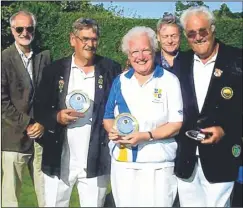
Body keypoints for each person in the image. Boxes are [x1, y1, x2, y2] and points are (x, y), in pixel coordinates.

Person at [34, 18, 121, 207]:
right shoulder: (53, 70)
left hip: (96, 157)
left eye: (94, 39)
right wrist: (57, 117)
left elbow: (119, 106)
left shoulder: (111, 69)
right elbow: (39, 108)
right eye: (85, 39)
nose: (90, 44)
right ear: (72, 39)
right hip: (59, 156)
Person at [103, 26, 183, 207]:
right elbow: (108, 117)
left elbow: (176, 123)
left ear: (154, 51)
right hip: (123, 163)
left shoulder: (170, 80)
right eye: (135, 52)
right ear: (128, 55)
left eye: (146, 50)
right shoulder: (120, 80)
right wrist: (113, 131)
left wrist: (146, 136)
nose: (140, 56)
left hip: (158, 165)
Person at [174, 6, 242, 207]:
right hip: (186, 159)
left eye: (202, 31)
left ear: (213, 29)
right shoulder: (181, 62)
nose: (198, 37)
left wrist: (226, 130)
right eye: (191, 33)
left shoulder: (237, 59)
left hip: (221, 156)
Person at [1, 11, 51, 207]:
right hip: (13, 137)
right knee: (10, 199)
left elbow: (51, 96)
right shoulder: (3, 59)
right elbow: (2, 102)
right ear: (12, 31)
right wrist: (29, 123)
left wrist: (43, 123)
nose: (24, 32)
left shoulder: (44, 56)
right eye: (19, 29)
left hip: (42, 139)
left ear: (34, 30)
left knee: (47, 196)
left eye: (29, 28)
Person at [155, 13, 182, 77]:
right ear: (158, 37)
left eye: (174, 36)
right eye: (165, 36)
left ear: (180, 36)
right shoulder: (150, 61)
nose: (170, 41)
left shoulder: (190, 61)